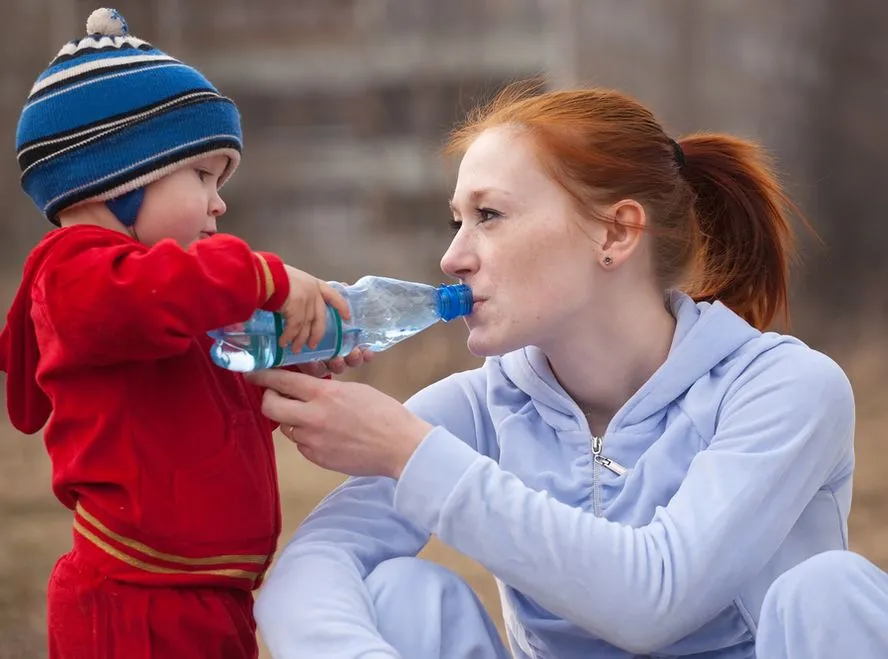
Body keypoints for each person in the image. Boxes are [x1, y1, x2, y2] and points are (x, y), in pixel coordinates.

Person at [249, 81, 865, 658]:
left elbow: (657, 597)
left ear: (617, 233)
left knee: (830, 590)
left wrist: (413, 457)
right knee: (396, 595)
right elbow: (310, 567)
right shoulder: (477, 409)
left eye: (488, 216)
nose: (452, 257)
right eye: (456, 221)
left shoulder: (782, 389)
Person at [0, 8, 366, 659]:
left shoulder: (167, 299)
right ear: (116, 182)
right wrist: (264, 275)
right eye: (202, 174)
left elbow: (203, 393)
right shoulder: (77, 279)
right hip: (134, 605)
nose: (219, 201)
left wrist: (292, 360)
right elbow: (168, 292)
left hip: (208, 597)